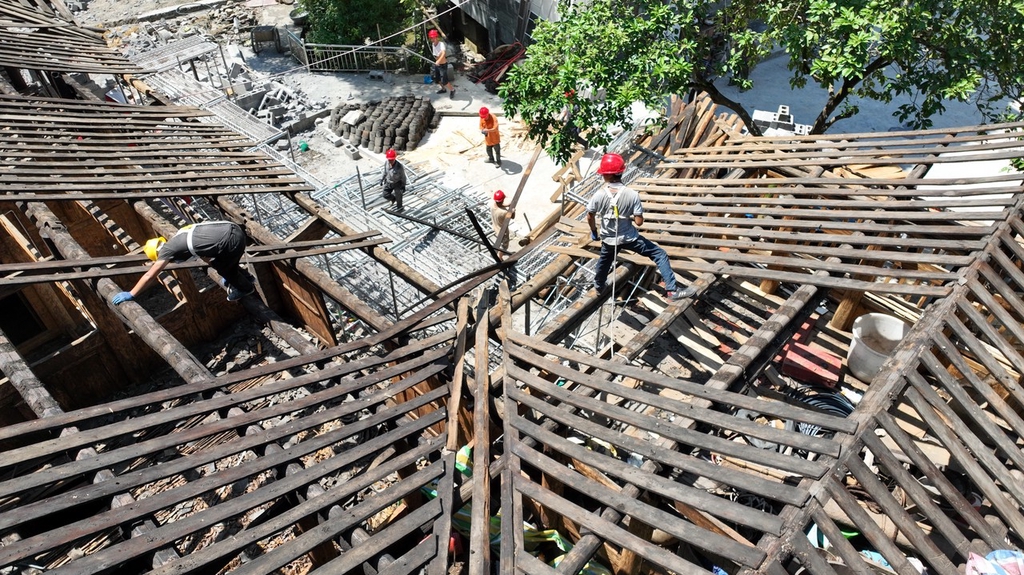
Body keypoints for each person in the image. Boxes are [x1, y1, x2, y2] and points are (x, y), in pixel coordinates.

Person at [586, 153, 694, 301]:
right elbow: (639, 222)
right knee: (659, 254)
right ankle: (671, 290)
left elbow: (590, 215)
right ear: (621, 172)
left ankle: (599, 287)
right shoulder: (632, 194)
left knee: (604, 261)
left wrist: (594, 231)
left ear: (606, 175)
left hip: (609, 239)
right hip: (629, 237)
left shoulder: (598, 195)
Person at [111, 221, 256, 304]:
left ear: (157, 254)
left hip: (231, 243)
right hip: (235, 231)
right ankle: (246, 277)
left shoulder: (167, 252)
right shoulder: (181, 236)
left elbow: (150, 276)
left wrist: (131, 293)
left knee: (225, 269)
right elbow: (206, 255)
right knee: (223, 265)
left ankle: (246, 287)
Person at [428, 29, 455, 99]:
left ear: (436, 37)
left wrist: (439, 60)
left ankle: (452, 90)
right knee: (437, 79)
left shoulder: (441, 44)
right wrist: (437, 61)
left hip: (443, 65)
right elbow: (436, 55)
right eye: (431, 38)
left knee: (445, 81)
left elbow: (443, 53)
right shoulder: (433, 45)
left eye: (433, 38)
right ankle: (443, 89)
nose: (432, 39)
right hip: (437, 64)